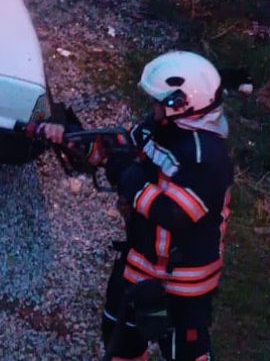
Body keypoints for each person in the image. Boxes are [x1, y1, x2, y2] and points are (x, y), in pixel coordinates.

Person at [41, 51, 234, 361]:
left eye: (157, 101)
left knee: (185, 353)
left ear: (181, 104)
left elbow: (175, 213)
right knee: (119, 339)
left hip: (183, 282)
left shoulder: (206, 157)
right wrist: (73, 140)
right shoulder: (160, 126)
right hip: (140, 262)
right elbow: (118, 152)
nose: (152, 107)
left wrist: (128, 177)